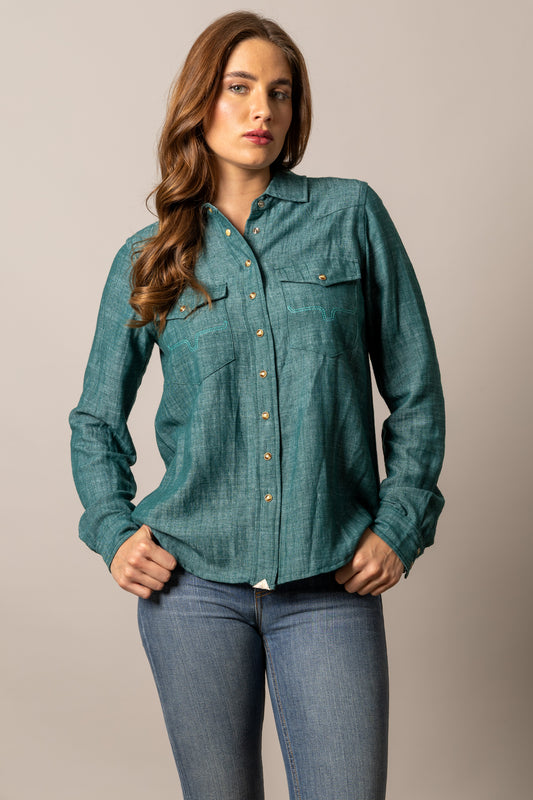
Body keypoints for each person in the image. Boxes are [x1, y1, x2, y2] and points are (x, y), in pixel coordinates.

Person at [69, 10, 445, 800]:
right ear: (199, 101)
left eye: (279, 92)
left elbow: (414, 385)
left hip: (329, 581)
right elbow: (96, 419)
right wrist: (111, 529)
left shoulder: (349, 215)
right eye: (238, 88)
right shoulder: (149, 257)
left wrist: (400, 522)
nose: (261, 110)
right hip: (191, 590)